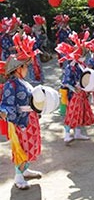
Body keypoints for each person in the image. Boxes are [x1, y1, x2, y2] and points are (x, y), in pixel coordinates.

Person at [0, 33, 43, 190]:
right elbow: (6, 105)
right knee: (21, 148)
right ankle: (18, 176)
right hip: (20, 121)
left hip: (30, 118)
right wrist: (7, 114)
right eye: (25, 66)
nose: (27, 68)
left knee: (30, 146)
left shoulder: (23, 82)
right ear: (18, 68)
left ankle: (25, 170)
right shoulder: (11, 85)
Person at [56, 32, 94, 143]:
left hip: (82, 94)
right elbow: (65, 82)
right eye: (83, 54)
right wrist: (75, 88)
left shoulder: (81, 65)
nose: (85, 57)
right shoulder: (71, 66)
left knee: (81, 113)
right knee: (72, 114)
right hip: (73, 95)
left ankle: (78, 133)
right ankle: (67, 134)